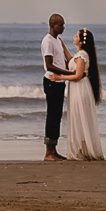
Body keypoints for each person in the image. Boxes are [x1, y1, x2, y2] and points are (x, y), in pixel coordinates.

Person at [48, 27, 103, 161]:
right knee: (80, 118)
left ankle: (83, 150)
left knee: (80, 117)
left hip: (80, 89)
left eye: (76, 36)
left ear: (81, 41)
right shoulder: (80, 55)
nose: (74, 37)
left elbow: (78, 75)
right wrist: (63, 46)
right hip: (78, 89)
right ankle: (83, 149)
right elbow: (71, 60)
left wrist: (59, 77)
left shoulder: (82, 56)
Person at [41, 13, 71, 161]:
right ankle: (48, 152)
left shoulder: (58, 40)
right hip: (52, 82)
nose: (63, 27)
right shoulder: (48, 41)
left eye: (63, 24)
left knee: (57, 116)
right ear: (53, 26)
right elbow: (50, 65)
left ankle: (54, 149)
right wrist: (68, 73)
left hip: (60, 82)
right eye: (61, 25)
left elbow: (62, 61)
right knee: (52, 116)